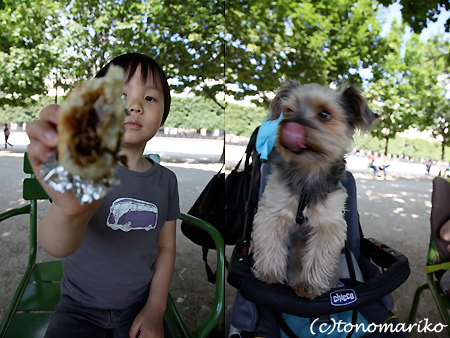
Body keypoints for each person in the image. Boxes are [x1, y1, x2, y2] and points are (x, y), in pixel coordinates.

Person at [26, 53, 179, 338]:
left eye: (149, 98)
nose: (134, 106)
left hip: (139, 306)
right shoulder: (85, 171)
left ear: (163, 114)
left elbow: (166, 248)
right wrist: (68, 212)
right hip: (78, 309)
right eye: (121, 95)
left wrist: (155, 308)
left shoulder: (166, 181)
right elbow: (54, 245)